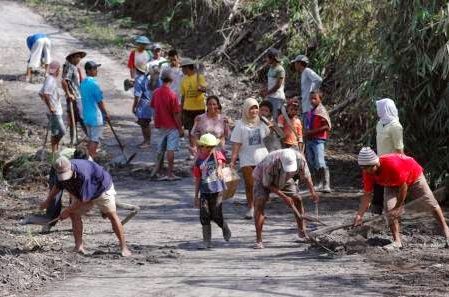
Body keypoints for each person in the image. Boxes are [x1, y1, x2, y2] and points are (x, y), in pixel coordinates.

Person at [354, 147, 449, 250]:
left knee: (430, 203)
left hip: (414, 176)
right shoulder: (367, 172)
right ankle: (397, 241)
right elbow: (367, 194)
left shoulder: (392, 165)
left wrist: (398, 207)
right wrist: (360, 215)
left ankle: (446, 231)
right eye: (363, 168)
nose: (366, 171)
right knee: (390, 210)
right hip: (390, 183)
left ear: (375, 164)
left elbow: (403, 188)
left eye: (367, 168)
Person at [40, 156, 132, 257]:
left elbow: (83, 201)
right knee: (74, 215)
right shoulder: (60, 170)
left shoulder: (83, 174)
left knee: (112, 215)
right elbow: (57, 187)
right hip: (80, 193)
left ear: (71, 168)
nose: (63, 177)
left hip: (101, 189)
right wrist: (47, 201)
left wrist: (67, 210)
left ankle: (124, 247)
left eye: (65, 175)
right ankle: (79, 247)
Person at [253, 149, 319, 249]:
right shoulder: (270, 162)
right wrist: (284, 197)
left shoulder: (300, 159)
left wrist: (313, 192)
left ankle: (302, 232)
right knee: (260, 203)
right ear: (281, 161)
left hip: (285, 179)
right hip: (262, 179)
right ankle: (259, 240)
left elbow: (307, 176)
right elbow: (267, 184)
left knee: (297, 199)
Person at [230, 98, 270, 219]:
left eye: (256, 108)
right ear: (246, 109)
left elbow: (272, 140)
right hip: (246, 158)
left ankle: (260, 208)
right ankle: (251, 208)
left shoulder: (263, 123)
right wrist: (233, 161)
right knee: (250, 184)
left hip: (262, 158)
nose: (254, 110)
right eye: (251, 108)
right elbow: (236, 144)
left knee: (263, 185)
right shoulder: (240, 125)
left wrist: (272, 127)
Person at [193, 133, 232, 248]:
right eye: (208, 147)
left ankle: (224, 226)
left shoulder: (216, 154)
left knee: (216, 214)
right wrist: (196, 195)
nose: (210, 149)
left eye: (212, 146)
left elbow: (220, 161)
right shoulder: (198, 162)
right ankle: (206, 241)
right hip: (204, 191)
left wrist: (219, 169)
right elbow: (198, 178)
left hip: (217, 190)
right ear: (202, 147)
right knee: (204, 214)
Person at [150, 68, 184, 180]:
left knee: (160, 149)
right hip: (172, 125)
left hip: (160, 125)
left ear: (161, 79)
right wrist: (180, 128)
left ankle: (158, 170)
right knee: (170, 149)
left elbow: (154, 108)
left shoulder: (156, 93)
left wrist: (156, 121)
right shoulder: (172, 94)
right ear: (172, 80)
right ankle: (170, 173)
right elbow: (176, 114)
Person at [372, 98, 405, 214]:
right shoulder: (380, 124)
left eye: (379, 108)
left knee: (391, 190)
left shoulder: (396, 126)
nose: (378, 110)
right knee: (378, 188)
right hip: (380, 161)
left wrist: (403, 166)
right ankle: (376, 214)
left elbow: (399, 147)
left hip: (392, 163)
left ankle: (394, 214)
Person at [80, 61, 111, 158]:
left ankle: (88, 157)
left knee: (91, 138)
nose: (96, 71)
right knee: (95, 139)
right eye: (94, 69)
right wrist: (105, 114)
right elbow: (100, 101)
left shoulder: (83, 83)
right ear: (88, 71)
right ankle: (91, 160)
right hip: (95, 116)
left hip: (86, 115)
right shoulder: (94, 84)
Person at [304, 89, 331, 193]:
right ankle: (318, 183)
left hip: (318, 140)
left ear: (320, 99)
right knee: (311, 161)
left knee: (320, 161)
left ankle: (326, 184)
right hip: (310, 139)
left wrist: (312, 132)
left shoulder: (322, 112)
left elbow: (326, 127)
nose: (312, 101)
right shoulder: (311, 112)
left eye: (315, 98)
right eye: (311, 99)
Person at [180, 58, 207, 157]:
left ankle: (201, 150)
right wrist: (181, 109)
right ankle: (192, 151)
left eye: (183, 68)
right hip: (187, 109)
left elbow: (204, 88)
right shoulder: (183, 80)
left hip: (199, 108)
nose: (182, 70)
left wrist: (201, 88)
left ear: (188, 67)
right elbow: (183, 95)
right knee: (190, 131)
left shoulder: (199, 77)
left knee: (199, 131)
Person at [39, 61, 65, 156]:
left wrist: (48, 104)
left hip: (55, 110)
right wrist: (50, 107)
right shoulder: (50, 80)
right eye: (59, 69)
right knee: (62, 131)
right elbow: (45, 94)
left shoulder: (50, 79)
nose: (60, 71)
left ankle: (55, 150)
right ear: (57, 70)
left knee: (56, 131)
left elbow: (41, 93)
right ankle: (54, 150)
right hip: (54, 112)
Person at [62, 50, 88, 145]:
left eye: (80, 57)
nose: (79, 59)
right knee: (80, 117)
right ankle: (77, 139)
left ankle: (76, 139)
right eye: (77, 57)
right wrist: (69, 93)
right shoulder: (70, 67)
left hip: (79, 95)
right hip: (75, 96)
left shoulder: (76, 67)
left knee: (77, 117)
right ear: (72, 58)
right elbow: (64, 81)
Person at [291, 55, 322, 124]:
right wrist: (299, 97)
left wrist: (311, 93)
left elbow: (319, 80)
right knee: (307, 129)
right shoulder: (303, 74)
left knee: (309, 129)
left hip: (309, 108)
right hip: (306, 108)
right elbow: (306, 91)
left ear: (299, 63)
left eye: (295, 63)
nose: (295, 65)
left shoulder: (307, 71)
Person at [132, 62, 154, 148]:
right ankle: (146, 141)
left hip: (143, 104)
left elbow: (137, 95)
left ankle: (147, 141)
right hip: (149, 102)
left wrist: (134, 106)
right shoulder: (147, 78)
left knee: (144, 123)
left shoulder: (139, 79)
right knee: (146, 122)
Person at [261, 48, 285, 121]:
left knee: (274, 118)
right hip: (270, 96)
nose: (266, 59)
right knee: (267, 117)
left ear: (272, 58)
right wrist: (264, 90)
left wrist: (267, 92)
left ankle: (273, 132)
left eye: (268, 58)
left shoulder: (280, 69)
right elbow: (270, 82)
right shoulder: (271, 68)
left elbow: (278, 85)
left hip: (277, 97)